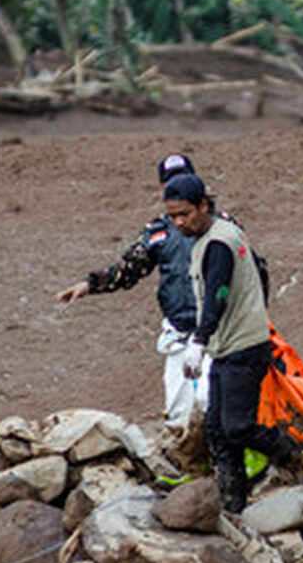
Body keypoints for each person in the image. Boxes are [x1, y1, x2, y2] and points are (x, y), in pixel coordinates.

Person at [163, 174, 303, 512]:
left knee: (238, 426)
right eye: (172, 216)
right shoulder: (213, 236)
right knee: (218, 430)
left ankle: (301, 459)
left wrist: (198, 340)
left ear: (203, 206)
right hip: (227, 346)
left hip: (243, 346)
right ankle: (232, 505)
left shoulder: (218, 243)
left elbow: (217, 293)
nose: (178, 223)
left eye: (184, 214)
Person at [53, 153, 203, 432]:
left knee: (217, 404)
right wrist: (89, 285)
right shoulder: (158, 232)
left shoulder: (221, 227)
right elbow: (128, 269)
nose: (177, 189)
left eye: (184, 182)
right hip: (180, 330)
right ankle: (191, 469)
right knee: (179, 412)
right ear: (162, 189)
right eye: (172, 184)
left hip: (219, 330)